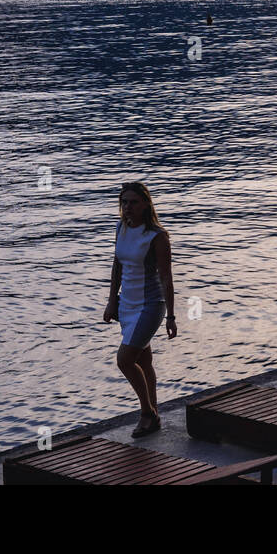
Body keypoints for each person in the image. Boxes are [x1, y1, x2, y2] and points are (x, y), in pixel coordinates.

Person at [103, 182, 177, 437]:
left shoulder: (157, 235)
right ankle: (153, 413)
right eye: (124, 202)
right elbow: (117, 266)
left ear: (146, 204)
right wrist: (112, 300)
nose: (128, 207)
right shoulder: (121, 227)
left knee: (124, 359)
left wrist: (171, 316)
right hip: (127, 304)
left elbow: (167, 278)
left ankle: (147, 413)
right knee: (144, 361)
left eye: (133, 202)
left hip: (150, 305)